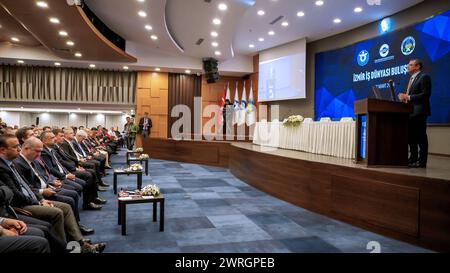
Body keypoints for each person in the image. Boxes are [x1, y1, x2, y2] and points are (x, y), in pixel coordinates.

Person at [398, 59, 432, 168]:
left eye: (411, 65)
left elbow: (425, 94)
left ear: (417, 67)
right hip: (410, 112)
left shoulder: (424, 77)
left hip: (420, 112)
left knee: (421, 137)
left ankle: (422, 162)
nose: (408, 66)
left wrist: (408, 97)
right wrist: (405, 99)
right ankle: (412, 159)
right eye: (408, 64)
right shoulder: (412, 79)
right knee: (411, 137)